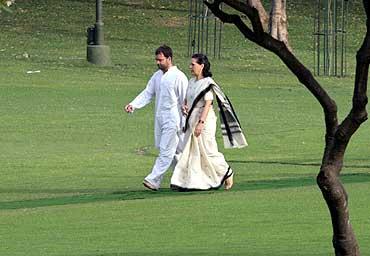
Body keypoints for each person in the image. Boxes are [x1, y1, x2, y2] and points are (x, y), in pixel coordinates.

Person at [170, 53, 247, 191]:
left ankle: (226, 171)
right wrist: (185, 106)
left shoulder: (208, 83)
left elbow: (208, 103)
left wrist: (201, 123)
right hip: (191, 119)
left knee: (208, 150)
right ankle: (192, 182)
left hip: (205, 121)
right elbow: (188, 99)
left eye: (193, 64)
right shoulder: (192, 81)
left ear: (202, 66)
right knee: (193, 151)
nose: (190, 67)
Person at [124, 45, 188, 191]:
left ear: (169, 59)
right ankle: (185, 179)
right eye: (156, 60)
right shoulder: (157, 76)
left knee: (166, 150)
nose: (157, 63)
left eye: (160, 60)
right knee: (172, 152)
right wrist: (133, 105)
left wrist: (186, 119)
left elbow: (186, 99)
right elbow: (148, 93)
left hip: (174, 120)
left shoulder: (179, 77)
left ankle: (153, 179)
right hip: (160, 118)